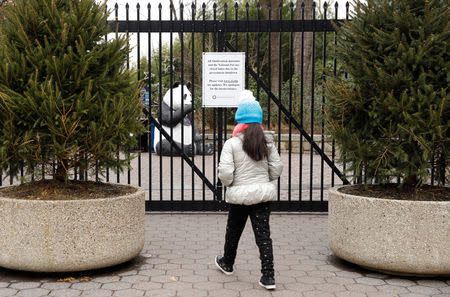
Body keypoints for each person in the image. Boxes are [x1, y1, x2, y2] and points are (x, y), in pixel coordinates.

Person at [215, 90, 283, 290]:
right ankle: (268, 276)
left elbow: (226, 173)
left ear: (239, 120)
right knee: (263, 235)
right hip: (263, 196)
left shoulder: (232, 143)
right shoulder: (267, 142)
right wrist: (265, 181)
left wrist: (233, 184)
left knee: (233, 231)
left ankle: (227, 263)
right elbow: (277, 168)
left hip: (239, 197)